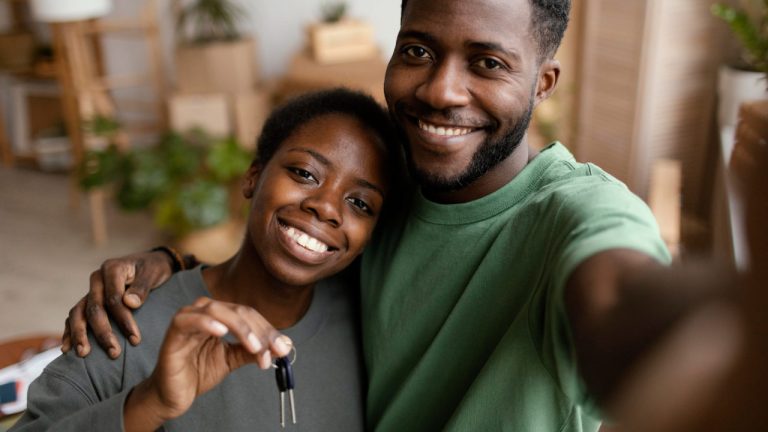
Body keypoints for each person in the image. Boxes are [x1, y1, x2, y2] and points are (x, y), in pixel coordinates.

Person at [58, 0, 727, 430]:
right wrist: (169, 268)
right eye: (418, 51)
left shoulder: (583, 213)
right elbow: (301, 241)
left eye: (488, 63)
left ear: (541, 83)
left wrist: (716, 333)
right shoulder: (399, 190)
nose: (440, 89)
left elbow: (615, 293)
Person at [12, 88, 402, 431]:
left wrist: (171, 257)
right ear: (252, 176)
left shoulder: (370, 316)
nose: (326, 208)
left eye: (360, 203)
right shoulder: (126, 328)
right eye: (304, 173)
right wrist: (150, 404)